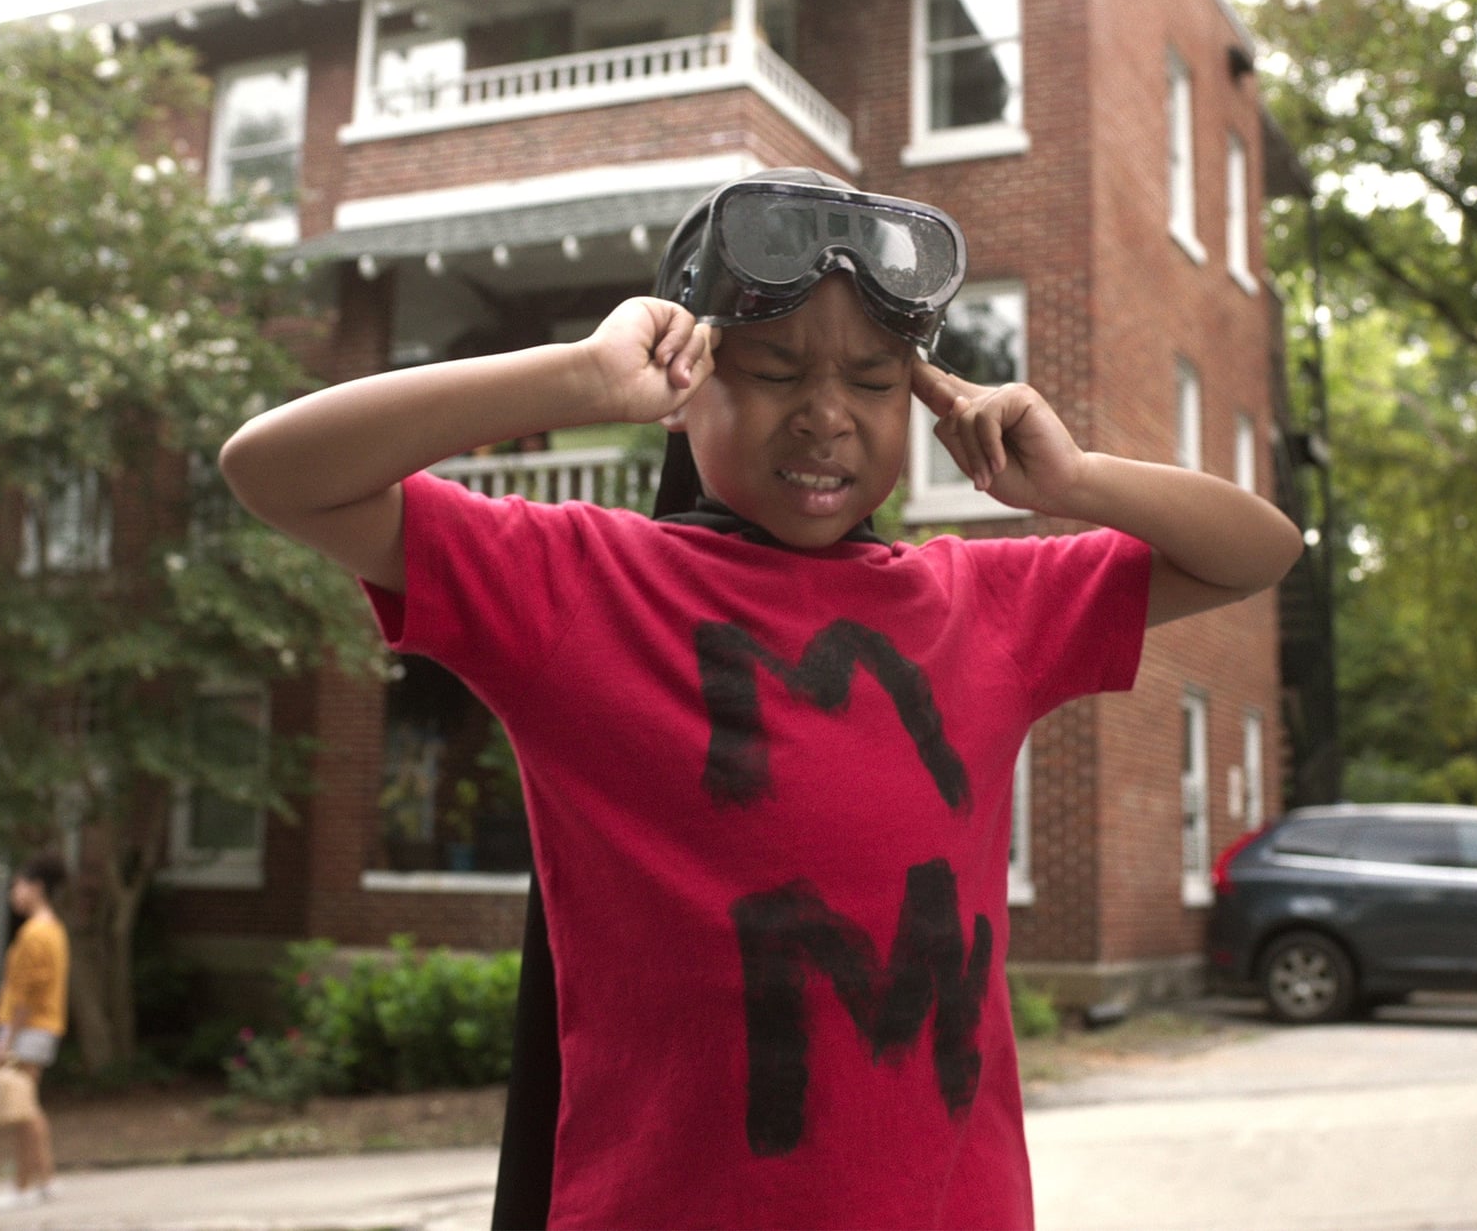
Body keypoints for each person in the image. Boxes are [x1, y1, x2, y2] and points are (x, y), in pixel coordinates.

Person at [219, 169, 1304, 1229]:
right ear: (686, 383)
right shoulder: (576, 584)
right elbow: (273, 467)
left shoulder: (983, 602)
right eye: (775, 370)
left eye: (873, 381)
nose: (825, 416)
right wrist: (578, 380)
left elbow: (1255, 551)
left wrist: (1071, 483)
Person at [0, 854, 70, 1213]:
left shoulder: (35, 933)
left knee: (23, 1110)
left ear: (37, 888)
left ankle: (26, 1186)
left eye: (17, 885)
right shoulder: (53, 929)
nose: (12, 893)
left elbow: (25, 995)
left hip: (29, 1029)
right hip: (40, 1026)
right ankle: (44, 1181)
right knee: (25, 1107)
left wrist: (6, 1038)